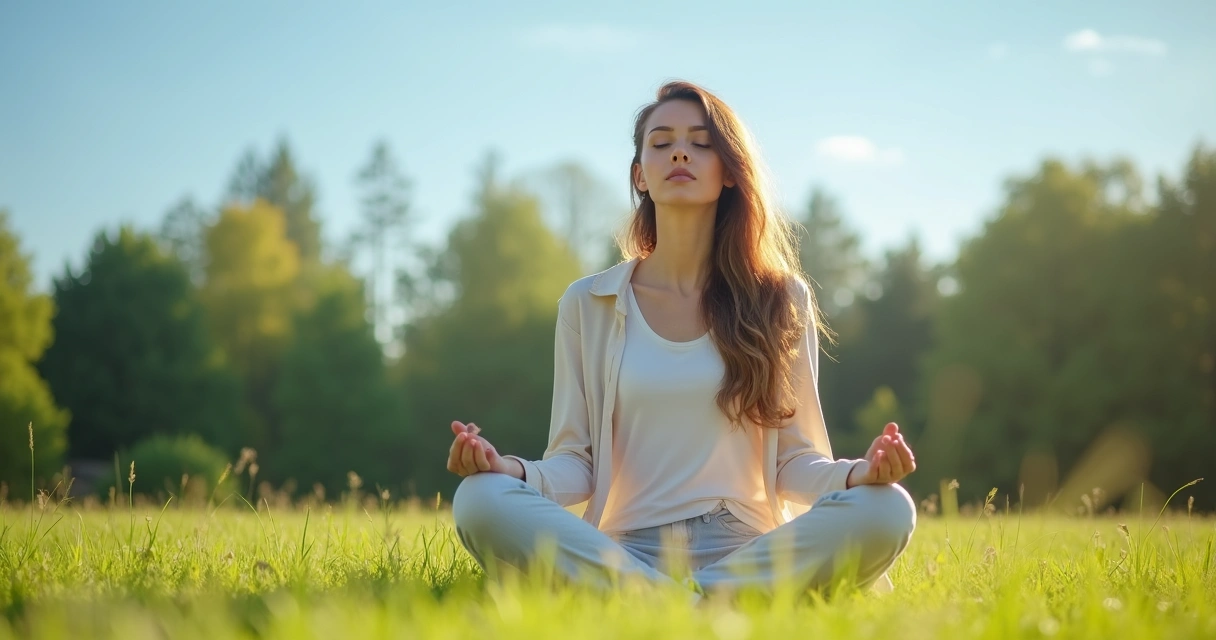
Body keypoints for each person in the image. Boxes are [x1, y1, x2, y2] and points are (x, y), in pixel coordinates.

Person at [446, 80, 917, 602]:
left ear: (730, 171)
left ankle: (658, 606)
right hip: (626, 553)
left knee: (888, 507)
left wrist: (859, 475)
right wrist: (507, 470)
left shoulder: (780, 299)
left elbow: (794, 462)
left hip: (747, 553)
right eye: (662, 141)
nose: (679, 152)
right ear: (639, 175)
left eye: (701, 142)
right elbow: (576, 463)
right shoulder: (588, 303)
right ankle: (699, 606)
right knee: (480, 498)